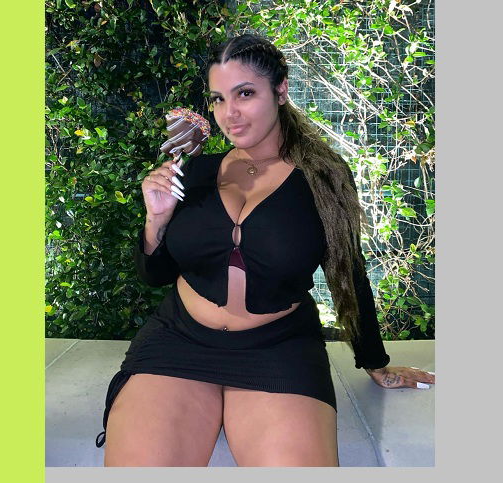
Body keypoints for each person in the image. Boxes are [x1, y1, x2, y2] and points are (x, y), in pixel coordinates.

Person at [95, 33, 435, 467]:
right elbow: (155, 275)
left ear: (281, 90)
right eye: (218, 99)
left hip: (279, 349)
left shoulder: (323, 178)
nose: (229, 114)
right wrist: (156, 220)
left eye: (245, 94)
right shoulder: (194, 172)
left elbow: (348, 273)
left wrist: (375, 362)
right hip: (178, 341)